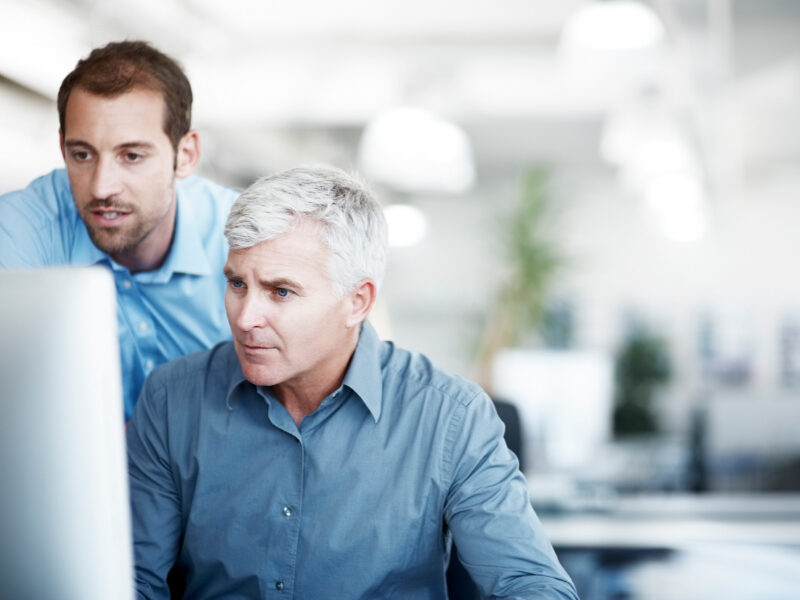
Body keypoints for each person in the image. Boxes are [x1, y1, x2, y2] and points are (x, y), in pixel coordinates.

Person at [126, 165, 579, 599]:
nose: (246, 318)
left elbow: (534, 585)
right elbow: (132, 582)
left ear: (357, 302)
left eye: (280, 291)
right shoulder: (172, 399)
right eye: (237, 284)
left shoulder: (450, 418)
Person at [0, 41, 239, 420]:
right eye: (83, 155)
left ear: (185, 155)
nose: (101, 188)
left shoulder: (243, 241)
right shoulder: (22, 230)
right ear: (63, 148)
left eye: (131, 156)